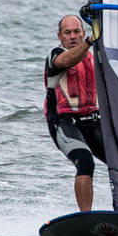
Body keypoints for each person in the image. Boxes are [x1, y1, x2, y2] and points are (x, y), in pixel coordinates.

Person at [44, 14, 105, 211]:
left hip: (94, 122)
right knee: (85, 162)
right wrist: (89, 42)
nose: (72, 36)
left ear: (83, 32)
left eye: (77, 31)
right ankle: (86, 218)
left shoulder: (96, 56)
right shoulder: (55, 55)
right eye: (67, 32)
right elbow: (68, 60)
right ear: (59, 36)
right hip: (64, 124)